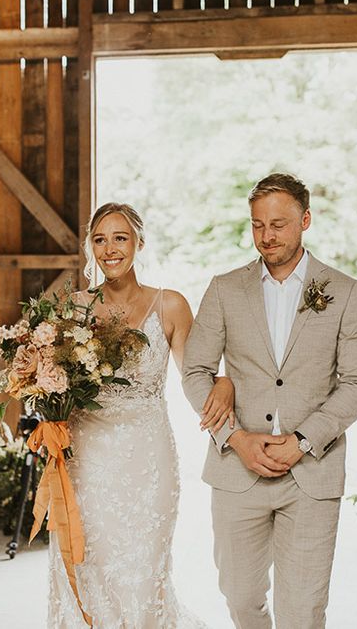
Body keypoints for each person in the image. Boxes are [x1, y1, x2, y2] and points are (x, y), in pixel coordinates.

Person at [182, 173, 357, 629]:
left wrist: (303, 441)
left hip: (312, 472)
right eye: (257, 225)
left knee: (303, 609)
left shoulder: (345, 292)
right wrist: (235, 438)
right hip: (237, 470)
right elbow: (195, 371)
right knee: (241, 597)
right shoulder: (224, 288)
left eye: (279, 224)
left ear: (305, 220)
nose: (266, 237)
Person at [49, 202, 234, 628]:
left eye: (120, 238)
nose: (109, 249)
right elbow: (54, 384)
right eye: (99, 239)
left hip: (147, 458)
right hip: (86, 458)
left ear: (139, 243)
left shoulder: (170, 306)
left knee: (144, 569)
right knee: (88, 563)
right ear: (89, 247)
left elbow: (196, 377)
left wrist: (224, 383)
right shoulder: (72, 309)